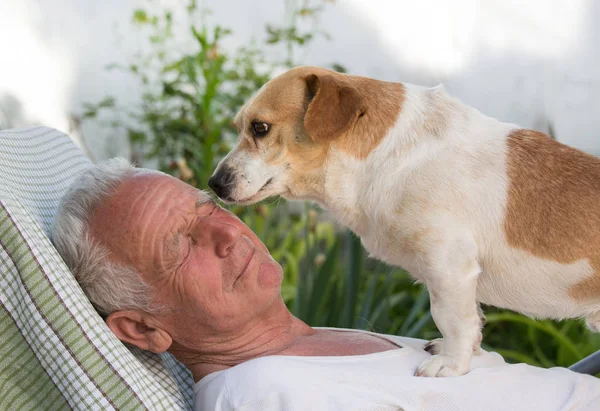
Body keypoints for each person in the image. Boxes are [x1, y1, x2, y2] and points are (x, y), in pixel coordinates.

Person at [51, 158, 600, 411]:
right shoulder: (261, 394)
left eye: (207, 208)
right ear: (144, 329)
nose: (225, 231)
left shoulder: (302, 348)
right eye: (180, 245)